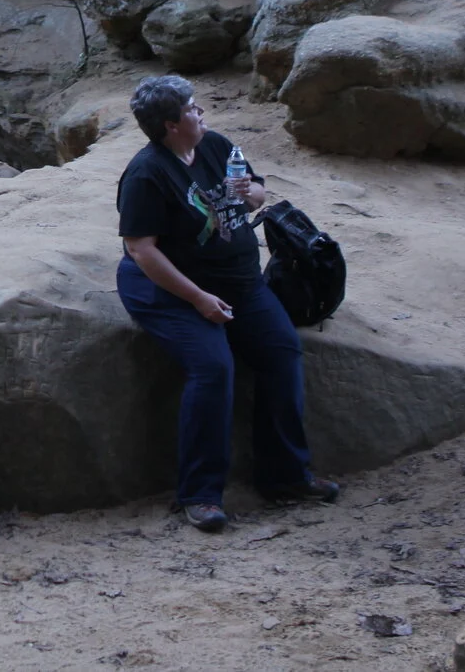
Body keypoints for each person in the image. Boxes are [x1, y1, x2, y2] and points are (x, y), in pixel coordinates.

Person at [116, 74, 337, 531]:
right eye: (193, 109)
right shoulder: (147, 173)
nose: (202, 113)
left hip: (240, 281)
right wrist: (198, 300)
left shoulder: (216, 146)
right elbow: (142, 249)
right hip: (170, 291)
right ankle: (200, 494)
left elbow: (256, 189)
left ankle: (285, 476)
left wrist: (250, 193)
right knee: (214, 368)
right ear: (172, 125)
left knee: (281, 351)